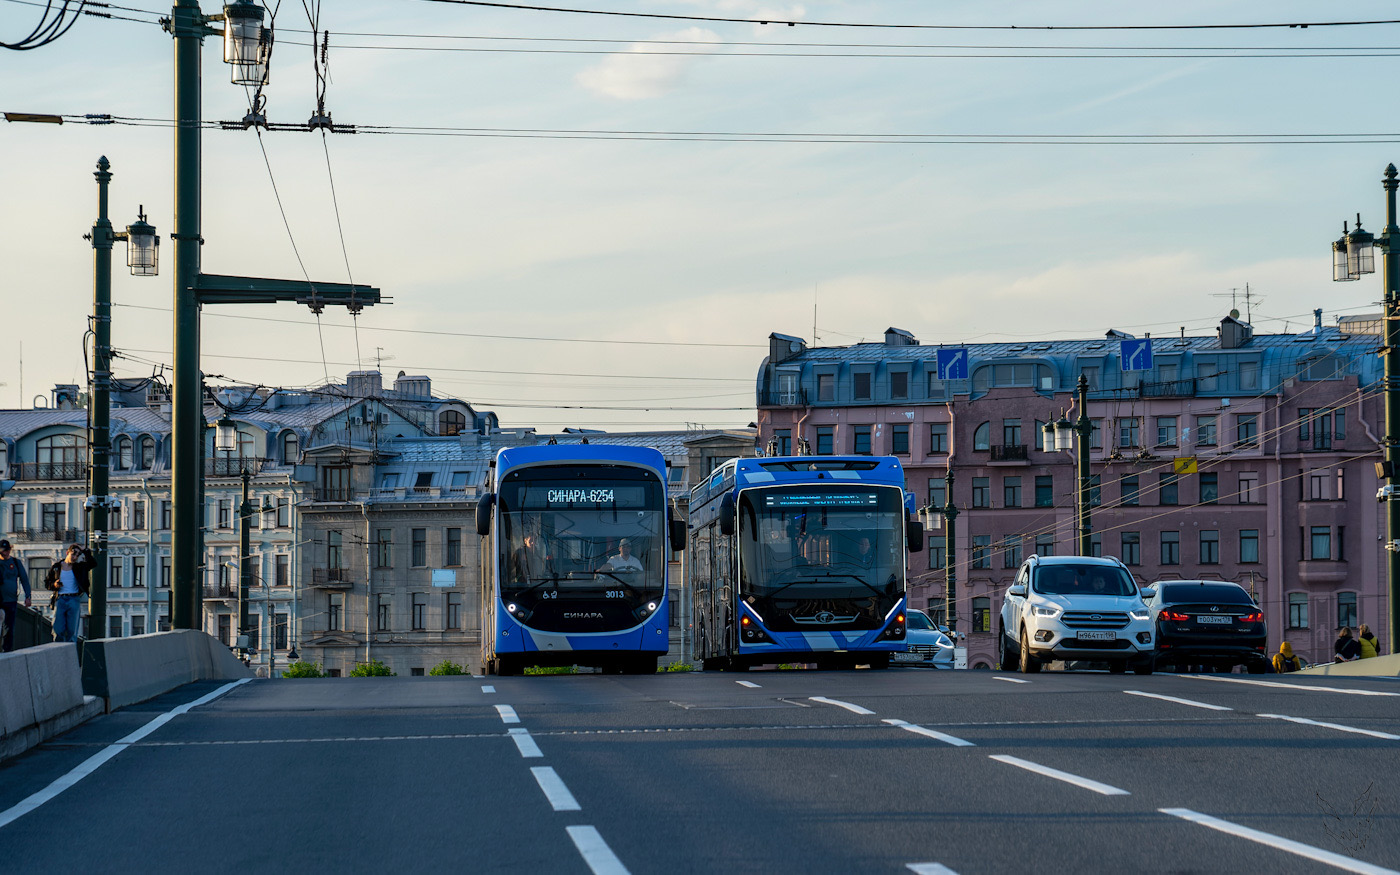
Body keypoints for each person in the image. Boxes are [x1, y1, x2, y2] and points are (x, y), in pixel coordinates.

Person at [47, 543, 93, 643]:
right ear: (67, 553)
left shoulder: (79, 567)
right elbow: (47, 583)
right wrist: (54, 584)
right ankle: (58, 649)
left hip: (74, 598)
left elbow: (93, 563)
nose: (75, 557)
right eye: (73, 554)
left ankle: (71, 650)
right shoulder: (57, 567)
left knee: (72, 629)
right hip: (60, 599)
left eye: (77, 555)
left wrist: (85, 550)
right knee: (58, 628)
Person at [1, 539, 33, 652]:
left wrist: (28, 596)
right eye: (3, 551)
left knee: (9, 627)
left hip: (11, 600)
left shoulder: (15, 562)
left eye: (7, 550)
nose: (6, 553)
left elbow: (24, 580)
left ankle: (7, 650)